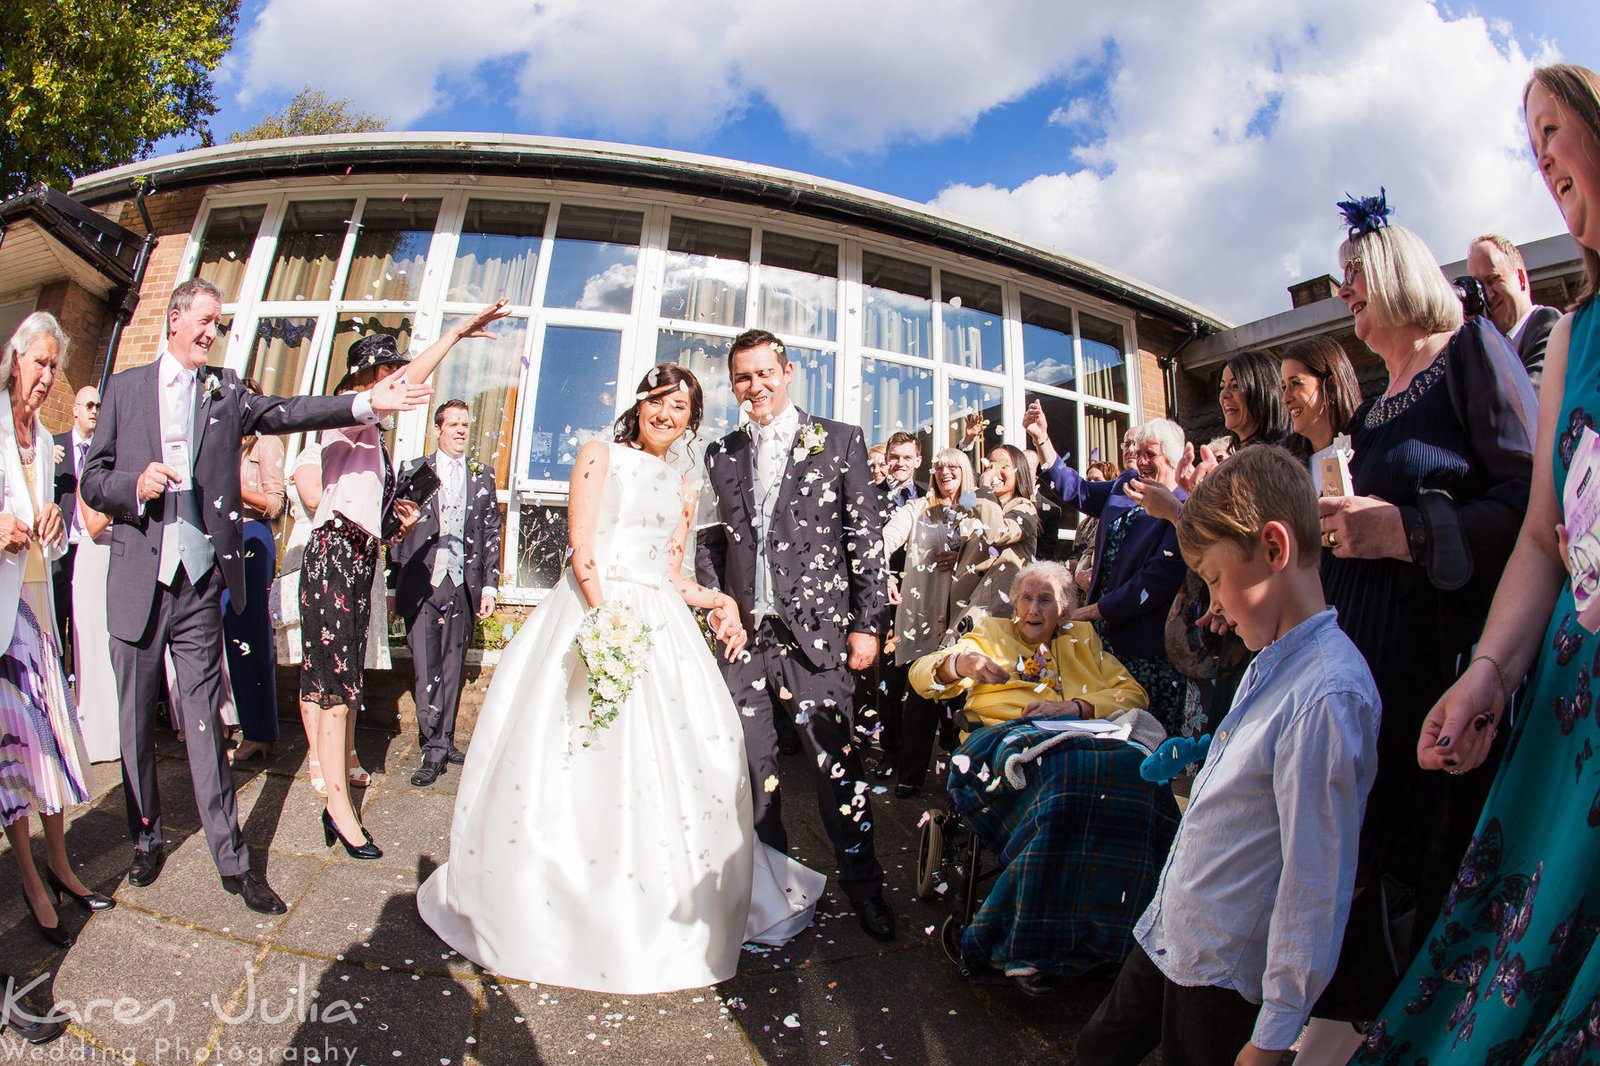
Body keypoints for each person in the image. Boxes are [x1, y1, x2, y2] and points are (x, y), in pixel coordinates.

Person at [419, 362, 824, 992]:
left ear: (693, 420)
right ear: (640, 403)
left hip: (655, 619)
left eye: (682, 407)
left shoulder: (684, 487)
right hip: (592, 609)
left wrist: (718, 602)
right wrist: (604, 621)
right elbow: (580, 547)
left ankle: (657, 901)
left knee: (696, 760)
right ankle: (552, 901)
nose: (667, 414)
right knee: (570, 754)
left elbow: (673, 575)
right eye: (659, 400)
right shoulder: (597, 454)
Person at [1352, 64, 1600, 1065]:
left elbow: (1493, 503)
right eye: (1526, 138)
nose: (1538, 153)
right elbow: (1543, 533)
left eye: (1552, 126)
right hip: (1572, 712)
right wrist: (1492, 672)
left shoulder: (1471, 354)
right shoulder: (1578, 334)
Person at [79, 277, 435, 914]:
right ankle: (143, 836)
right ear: (174, 319)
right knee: (135, 720)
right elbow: (93, 479)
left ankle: (232, 858)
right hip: (139, 578)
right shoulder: (126, 390)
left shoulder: (224, 390)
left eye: (219, 324)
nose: (212, 333)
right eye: (205, 321)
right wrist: (136, 484)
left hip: (198, 583)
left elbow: (290, 411)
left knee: (204, 722)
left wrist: (364, 404)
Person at [1294, 193, 1537, 1057]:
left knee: (1420, 865)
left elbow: (1529, 509)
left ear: (1395, 273)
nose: (1346, 296)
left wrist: (1405, 532)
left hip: (1438, 661)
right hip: (1362, 665)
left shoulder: (1473, 354)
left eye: (1353, 279)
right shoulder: (1370, 411)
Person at [1075, 446, 1381, 1066]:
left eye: (1214, 578)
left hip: (1220, 972)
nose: (1211, 605)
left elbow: (1313, 882)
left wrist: (1270, 1039)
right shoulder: (1272, 658)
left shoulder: (1327, 695)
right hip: (1173, 932)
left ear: (1274, 549)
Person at [696, 329, 895, 941]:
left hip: (820, 638)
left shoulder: (840, 440)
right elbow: (708, 542)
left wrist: (868, 627)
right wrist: (719, 606)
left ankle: (863, 888)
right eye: (742, 378)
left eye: (765, 373)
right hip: (746, 639)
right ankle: (767, 894)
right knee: (753, 774)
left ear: (787, 372)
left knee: (836, 768)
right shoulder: (720, 452)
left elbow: (865, 539)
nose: (754, 387)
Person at [300, 306, 507, 861]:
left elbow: (368, 512)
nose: (397, 383)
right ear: (364, 385)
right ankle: (338, 809)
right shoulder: (347, 419)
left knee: (343, 687)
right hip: (332, 558)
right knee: (334, 691)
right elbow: (406, 381)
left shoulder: (371, 441)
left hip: (359, 557)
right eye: (384, 376)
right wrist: (456, 335)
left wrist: (398, 521)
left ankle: (338, 786)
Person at [910, 561, 1167, 994]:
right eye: (1026, 597)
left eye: (1045, 599)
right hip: (1004, 740)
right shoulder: (991, 633)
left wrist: (1077, 707)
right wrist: (960, 663)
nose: (1032, 608)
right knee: (1069, 783)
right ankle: (1024, 939)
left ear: (1064, 610)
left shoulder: (1083, 639)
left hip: (1082, 740)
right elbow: (922, 675)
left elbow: (1132, 694)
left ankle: (1124, 930)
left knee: (1141, 778)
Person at [1, 313, 114, 951]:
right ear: (13, 357)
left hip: (37, 602)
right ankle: (30, 877)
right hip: (1, 615)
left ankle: (61, 862)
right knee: (19, 749)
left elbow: (36, 510)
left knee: (55, 737)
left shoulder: (43, 439)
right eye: (38, 363)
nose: (47, 378)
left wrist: (45, 514)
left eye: (53, 367)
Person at [1025, 407, 1189, 735]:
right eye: (1137, 452)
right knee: (1102, 729)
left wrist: (1095, 611)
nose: (1140, 460)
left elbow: (1157, 580)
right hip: (1102, 638)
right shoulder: (1127, 485)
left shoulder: (1182, 507)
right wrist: (1042, 439)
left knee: (1142, 737)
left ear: (1172, 457)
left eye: (1150, 454)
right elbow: (1079, 491)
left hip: (1143, 644)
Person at [393, 399, 502, 786]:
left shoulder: (482, 475)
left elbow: (491, 534)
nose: (460, 430)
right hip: (424, 580)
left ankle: (445, 738)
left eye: (465, 424)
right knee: (427, 667)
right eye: (453, 423)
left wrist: (489, 584)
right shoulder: (413, 470)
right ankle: (433, 747)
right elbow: (394, 529)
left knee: (453, 667)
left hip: (462, 583)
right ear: (437, 428)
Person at [274, 439, 393, 795]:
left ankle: (347, 753)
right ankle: (317, 757)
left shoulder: (366, 462)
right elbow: (313, 499)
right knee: (315, 668)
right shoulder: (313, 456)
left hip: (354, 568)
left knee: (349, 670)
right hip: (317, 565)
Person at [881, 448, 1000, 796]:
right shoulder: (917, 509)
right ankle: (910, 776)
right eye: (940, 467)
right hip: (922, 616)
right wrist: (884, 573)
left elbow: (999, 550)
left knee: (960, 701)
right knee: (920, 697)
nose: (946, 471)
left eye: (954, 466)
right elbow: (885, 539)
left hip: (964, 619)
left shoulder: (980, 510)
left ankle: (959, 776)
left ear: (966, 471)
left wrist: (965, 553)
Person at [222, 378, 285, 764]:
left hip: (252, 538)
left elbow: (275, 503)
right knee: (221, 634)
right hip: (221, 538)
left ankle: (260, 732)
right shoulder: (224, 443)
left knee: (250, 637)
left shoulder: (267, 442)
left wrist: (229, 484)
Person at [868, 430, 926, 781]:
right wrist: (882, 575)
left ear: (918, 461)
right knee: (888, 681)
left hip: (924, 602)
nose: (900, 463)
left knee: (920, 683)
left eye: (907, 457)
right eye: (895, 457)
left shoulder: (933, 497)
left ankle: (916, 756)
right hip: (885, 599)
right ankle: (889, 752)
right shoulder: (869, 496)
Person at [1467, 231, 1565, 389]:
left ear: (1520, 277)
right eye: (1480, 288)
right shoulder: (1491, 350)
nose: (1488, 295)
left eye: (1493, 280)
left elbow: (1530, 399)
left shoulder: (1547, 322)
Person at [50, 385, 98, 670]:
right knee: (57, 611)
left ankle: (76, 672)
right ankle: (55, 668)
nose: (94, 411)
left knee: (81, 614)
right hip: (60, 546)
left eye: (97, 407)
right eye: (89, 405)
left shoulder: (101, 454)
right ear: (75, 409)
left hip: (88, 545)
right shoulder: (54, 446)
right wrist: (45, 458)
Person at [967, 443, 1039, 621]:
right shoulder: (977, 508)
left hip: (992, 611)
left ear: (1019, 472)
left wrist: (984, 489)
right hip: (965, 601)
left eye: (1003, 466)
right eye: (990, 465)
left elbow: (996, 533)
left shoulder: (1025, 508)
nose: (993, 471)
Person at [1278, 337, 1362, 484]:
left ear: (1331, 387)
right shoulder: (1282, 466)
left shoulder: (1367, 450)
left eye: (1295, 383)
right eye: (1284, 387)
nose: (1285, 398)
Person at [1218, 349, 1294, 451]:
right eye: (1222, 387)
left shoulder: (1283, 458)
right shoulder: (1233, 459)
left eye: (1235, 386)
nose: (1224, 395)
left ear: (1262, 393)